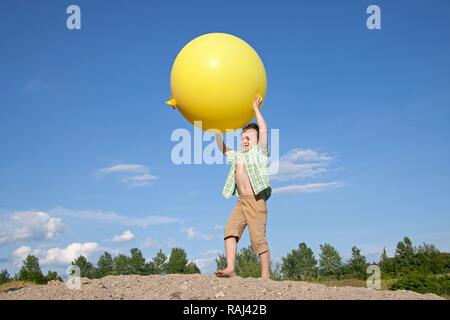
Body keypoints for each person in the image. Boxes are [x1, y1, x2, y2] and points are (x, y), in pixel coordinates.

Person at [214, 94, 272, 280]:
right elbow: (223, 149)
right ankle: (230, 268)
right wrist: (215, 130)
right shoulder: (239, 156)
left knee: (258, 240)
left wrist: (256, 110)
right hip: (241, 203)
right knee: (230, 230)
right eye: (242, 138)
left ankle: (265, 276)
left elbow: (263, 130)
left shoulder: (260, 153)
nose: (244, 140)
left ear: (256, 141)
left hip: (256, 201)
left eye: (248, 137)